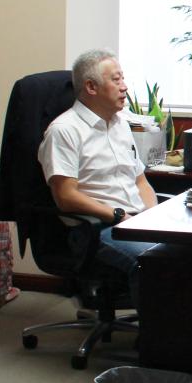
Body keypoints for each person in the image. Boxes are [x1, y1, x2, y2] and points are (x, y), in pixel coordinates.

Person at [38, 49, 160, 306]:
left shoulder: (120, 124)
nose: (124, 87)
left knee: (185, 251)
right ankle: (155, 331)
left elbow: (140, 181)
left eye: (123, 78)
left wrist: (152, 217)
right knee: (153, 261)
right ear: (91, 87)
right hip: (96, 229)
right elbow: (65, 196)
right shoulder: (64, 130)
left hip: (134, 221)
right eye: (116, 80)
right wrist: (118, 216)